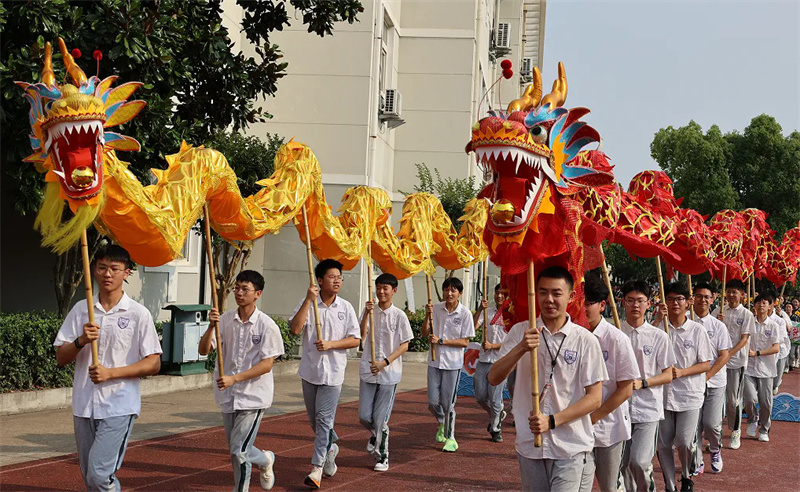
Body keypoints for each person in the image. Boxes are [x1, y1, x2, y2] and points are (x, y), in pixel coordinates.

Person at [488, 266, 607, 492]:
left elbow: (595, 398)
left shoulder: (584, 340)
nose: (549, 299)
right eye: (543, 292)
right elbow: (493, 378)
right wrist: (521, 348)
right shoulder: (521, 332)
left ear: (572, 296)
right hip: (530, 445)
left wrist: (552, 421)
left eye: (556, 293)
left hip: (570, 445)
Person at [54, 245, 162, 492]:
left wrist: (111, 373)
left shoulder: (138, 314)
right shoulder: (82, 310)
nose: (107, 274)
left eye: (114, 269)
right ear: (94, 270)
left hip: (118, 405)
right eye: (102, 268)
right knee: (90, 477)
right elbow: (61, 357)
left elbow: (154, 362)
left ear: (126, 273)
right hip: (84, 405)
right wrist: (81, 341)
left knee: (100, 475)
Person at [199, 270, 284, 491]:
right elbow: (203, 350)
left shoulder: (266, 325)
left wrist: (234, 379)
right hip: (228, 396)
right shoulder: (225, 320)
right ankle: (265, 460)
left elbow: (267, 364)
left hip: (253, 397)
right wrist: (210, 326)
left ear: (257, 294)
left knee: (239, 450)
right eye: (236, 287)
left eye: (244, 289)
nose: (238, 292)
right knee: (236, 451)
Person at [289, 259, 361, 489]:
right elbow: (295, 329)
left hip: (333, 374)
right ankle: (331, 447)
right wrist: (309, 300)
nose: (337, 280)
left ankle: (316, 468)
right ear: (319, 281)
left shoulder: (346, 307)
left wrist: (331, 345)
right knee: (315, 422)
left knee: (324, 420)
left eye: (339, 276)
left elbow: (355, 339)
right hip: (310, 372)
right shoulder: (308, 304)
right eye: (332, 276)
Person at [581, 277, 639, 492]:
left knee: (609, 486)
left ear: (602, 305)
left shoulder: (616, 339)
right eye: (578, 302)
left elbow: (625, 388)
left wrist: (594, 417)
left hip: (609, 427)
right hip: (577, 427)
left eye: (588, 303)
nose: (583, 308)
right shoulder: (573, 337)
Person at [656, 282, 713, 492]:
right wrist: (656, 319)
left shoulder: (697, 330)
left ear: (687, 302)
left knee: (683, 442)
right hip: (662, 396)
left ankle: (687, 476)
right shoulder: (659, 329)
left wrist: (681, 372)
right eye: (670, 299)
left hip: (689, 395)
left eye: (679, 299)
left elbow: (706, 363)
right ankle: (670, 485)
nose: (675, 303)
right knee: (663, 445)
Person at [619, 280, 676, 492]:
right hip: (619, 409)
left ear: (648, 304)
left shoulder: (659, 336)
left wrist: (643, 383)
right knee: (623, 465)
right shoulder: (616, 333)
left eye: (640, 301)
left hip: (647, 409)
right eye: (630, 300)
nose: (635, 305)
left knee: (640, 462)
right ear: (623, 302)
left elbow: (668, 374)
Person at [358, 273, 413, 472]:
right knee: (364, 416)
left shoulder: (399, 315)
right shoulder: (370, 311)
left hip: (389, 373)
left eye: (385, 288)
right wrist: (365, 313)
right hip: (368, 371)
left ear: (394, 291)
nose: (381, 292)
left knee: (381, 418)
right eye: (378, 287)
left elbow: (405, 345)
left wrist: (385, 362)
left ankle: (383, 456)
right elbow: (360, 335)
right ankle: (377, 434)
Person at [421, 277, 475, 452]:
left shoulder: (464, 313)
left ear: (460, 293)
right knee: (432, 402)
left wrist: (442, 341)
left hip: (452, 364)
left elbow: (465, 342)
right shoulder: (435, 309)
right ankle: (443, 422)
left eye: (453, 290)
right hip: (435, 362)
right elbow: (424, 333)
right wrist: (427, 316)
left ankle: (451, 438)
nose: (449, 293)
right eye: (446, 290)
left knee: (448, 403)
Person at [690, 282, 732, 475]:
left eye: (707, 297)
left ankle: (715, 449)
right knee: (694, 424)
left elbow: (724, 355)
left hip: (714, 383)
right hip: (690, 384)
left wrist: (707, 375)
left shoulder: (718, 326)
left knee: (711, 423)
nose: (703, 300)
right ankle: (697, 458)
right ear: (693, 298)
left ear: (713, 299)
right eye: (699, 296)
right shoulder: (686, 323)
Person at [711, 279, 753, 450]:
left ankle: (735, 430)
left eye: (735, 291)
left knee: (733, 399)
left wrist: (729, 353)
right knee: (716, 399)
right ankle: (716, 433)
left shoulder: (746, 315)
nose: (731, 294)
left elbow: (744, 340)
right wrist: (717, 321)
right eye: (728, 291)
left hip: (736, 362)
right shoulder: (718, 311)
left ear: (742, 294)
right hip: (718, 363)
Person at [473, 284, 509, 443]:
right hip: (483, 360)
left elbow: (511, 342)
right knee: (480, 396)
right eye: (497, 293)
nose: (499, 296)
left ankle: (495, 428)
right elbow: (472, 328)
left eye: (502, 294)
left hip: (500, 362)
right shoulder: (487, 312)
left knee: (495, 398)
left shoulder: (511, 316)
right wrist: (480, 310)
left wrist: (493, 346)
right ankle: (498, 413)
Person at [743, 294, 782, 442]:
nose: (761, 305)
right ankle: (753, 420)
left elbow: (776, 347)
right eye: (758, 302)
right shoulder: (749, 323)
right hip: (749, 368)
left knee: (765, 402)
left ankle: (764, 429)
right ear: (754, 305)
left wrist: (757, 353)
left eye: (764, 303)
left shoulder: (773, 325)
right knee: (749, 399)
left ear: (770, 306)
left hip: (766, 369)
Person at [769, 297, 791, 393]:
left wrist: (780, 315)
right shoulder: (757, 315)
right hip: (765, 351)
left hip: (780, 349)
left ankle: (775, 385)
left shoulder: (781, 316)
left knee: (776, 380)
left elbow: (789, 329)